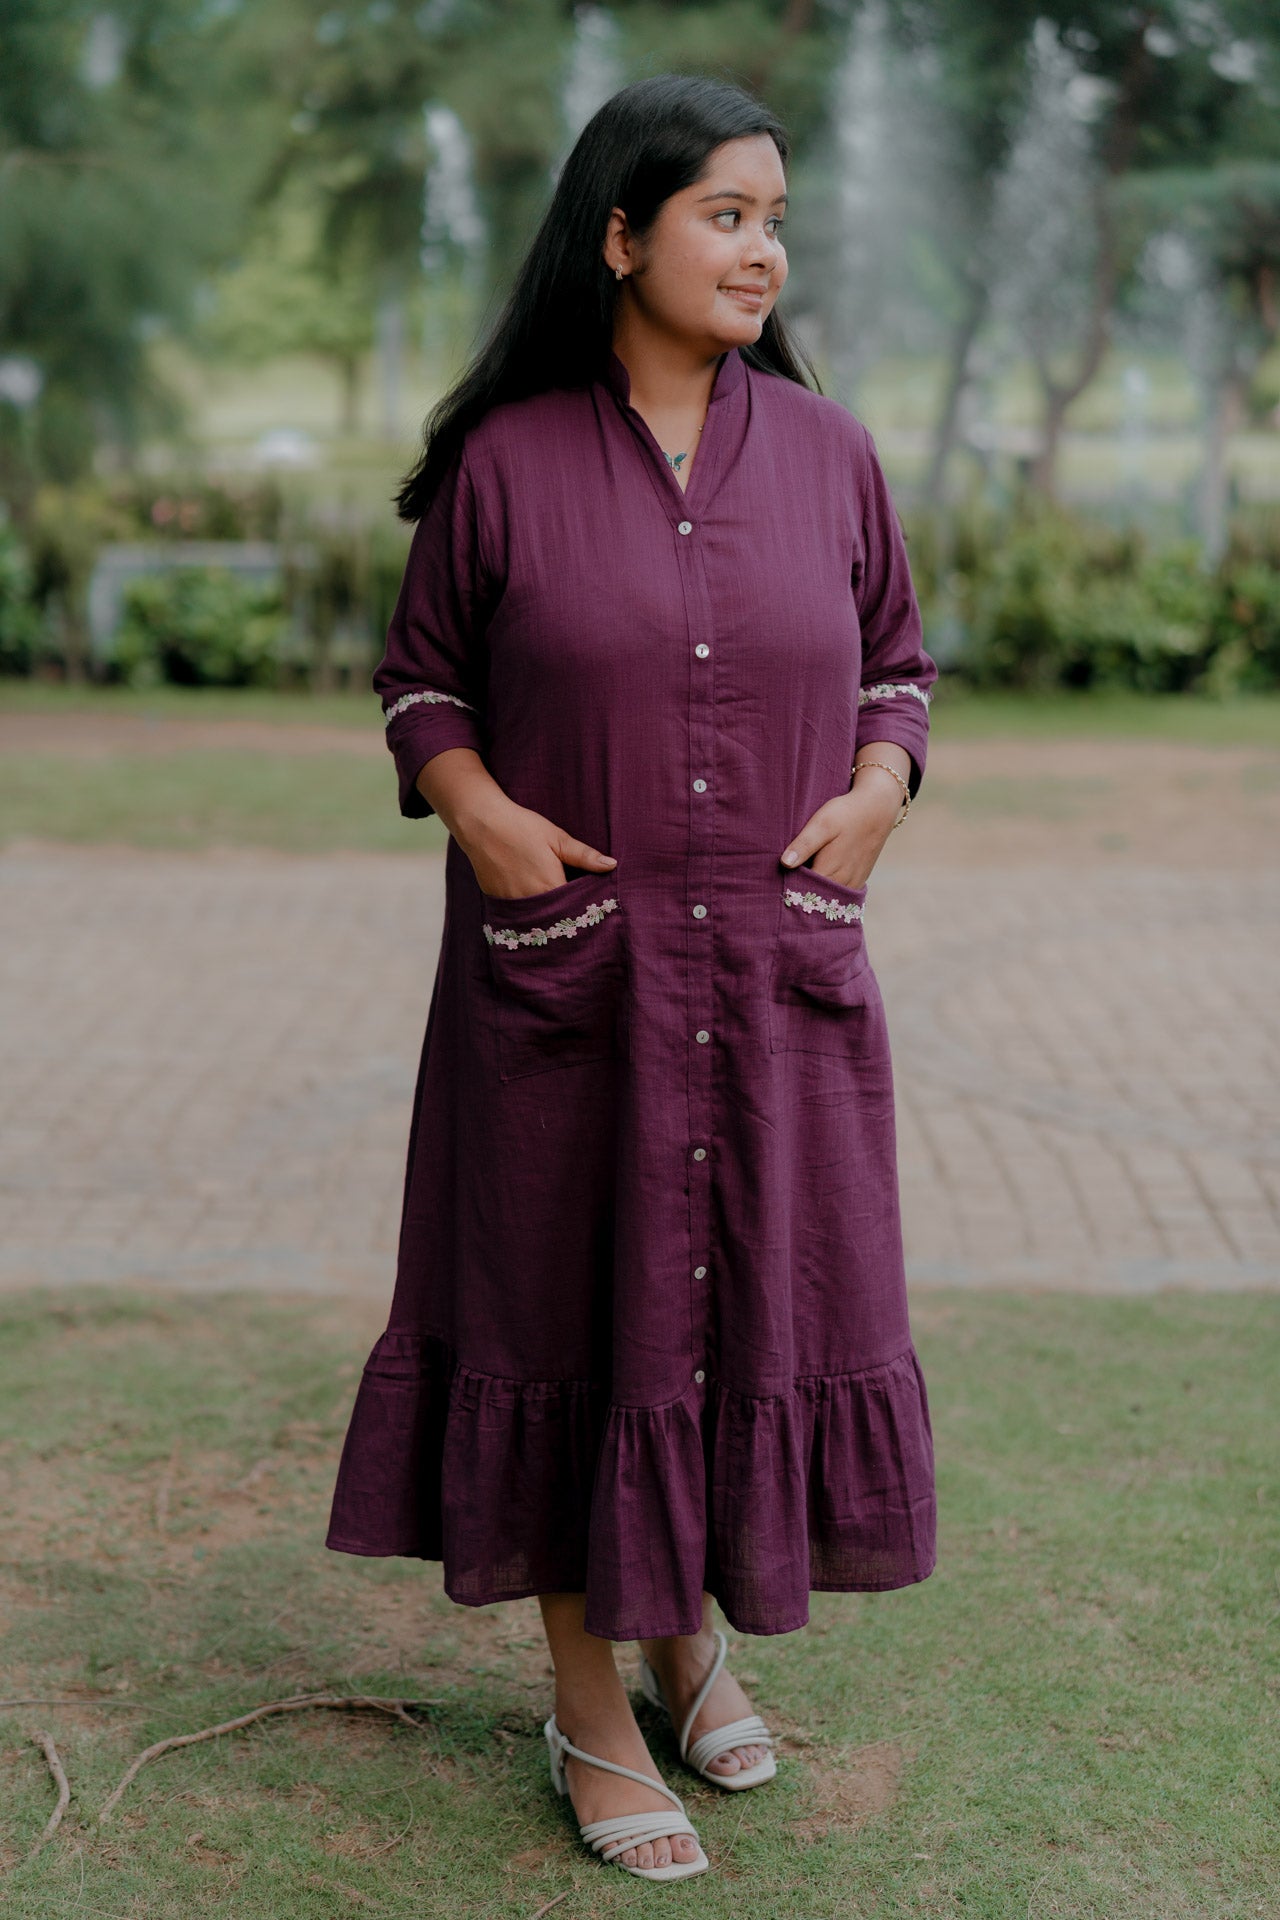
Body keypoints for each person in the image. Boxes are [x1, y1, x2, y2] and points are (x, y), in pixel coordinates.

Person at [327, 71, 938, 1884]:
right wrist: (479, 810)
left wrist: (884, 787)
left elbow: (901, 665)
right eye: (724, 216)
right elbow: (420, 679)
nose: (762, 249)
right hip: (560, 989)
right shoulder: (509, 464)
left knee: (743, 1303)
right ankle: (591, 1702)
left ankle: (691, 1639)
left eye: (774, 219)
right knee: (573, 1314)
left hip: (771, 983)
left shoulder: (829, 454)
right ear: (620, 234)